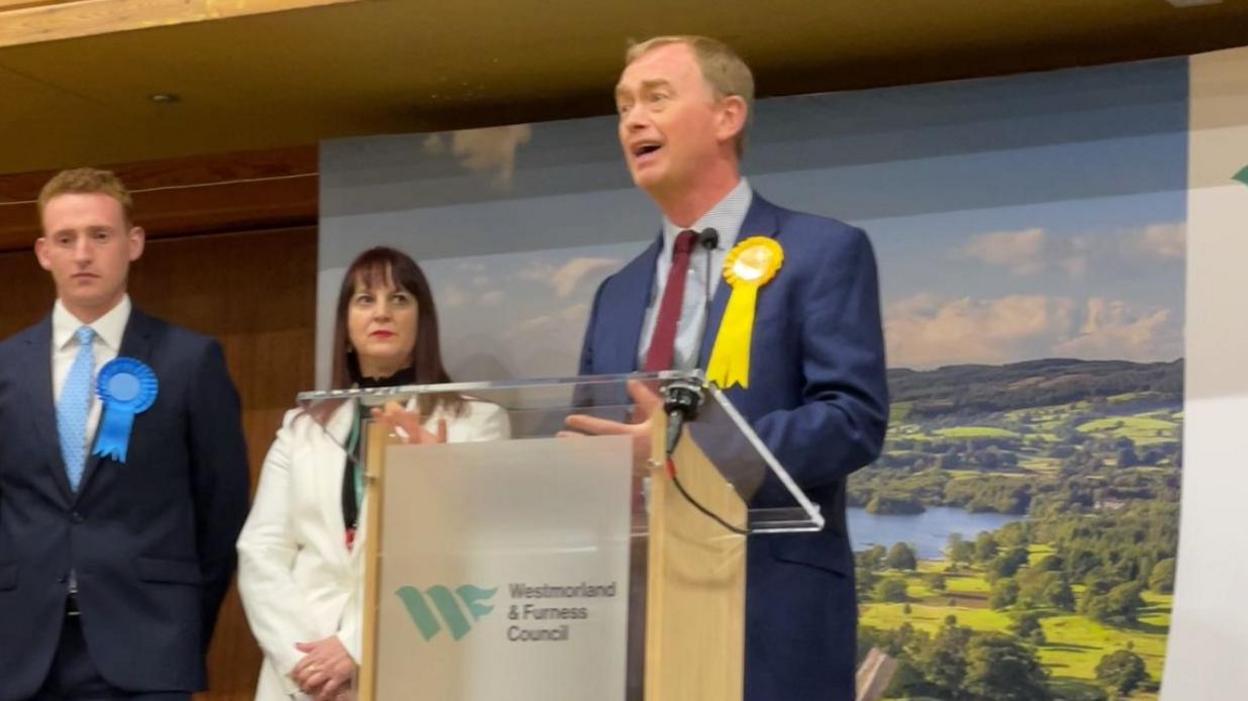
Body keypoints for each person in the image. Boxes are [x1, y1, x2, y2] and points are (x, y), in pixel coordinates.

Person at [570, 36, 889, 700]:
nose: (632, 119)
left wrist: (688, 451)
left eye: (656, 97)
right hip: (628, 625)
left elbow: (852, 421)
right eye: (623, 104)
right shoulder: (616, 292)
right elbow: (588, 438)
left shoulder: (822, 252)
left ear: (728, 116)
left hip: (770, 616)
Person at [0, 168, 251, 700]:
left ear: (133, 243)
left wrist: (181, 621)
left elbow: (222, 508)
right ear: (44, 252)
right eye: (66, 240)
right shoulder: (5, 367)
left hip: (149, 645)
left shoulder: (189, 361)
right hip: (21, 653)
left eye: (100, 235)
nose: (83, 254)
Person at [236, 246, 510, 700]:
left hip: (414, 657)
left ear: (423, 322)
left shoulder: (475, 423)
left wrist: (357, 645)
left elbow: (471, 555)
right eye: (365, 299)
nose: (382, 312)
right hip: (303, 677)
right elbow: (260, 550)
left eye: (399, 299)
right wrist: (303, 659)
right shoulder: (300, 429)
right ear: (345, 324)